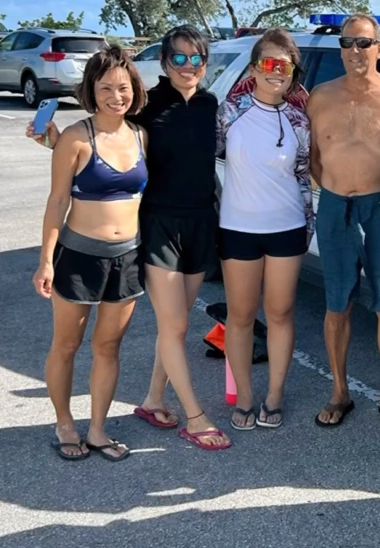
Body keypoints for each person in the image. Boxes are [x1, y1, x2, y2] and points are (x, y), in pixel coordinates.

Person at [29, 25, 231, 450]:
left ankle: (139, 407)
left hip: (171, 234)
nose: (188, 66)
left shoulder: (206, 106)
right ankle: (187, 418)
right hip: (131, 235)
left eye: (196, 58)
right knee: (82, 341)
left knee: (121, 341)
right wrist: (55, 142)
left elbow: (118, 151)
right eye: (179, 57)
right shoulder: (146, 110)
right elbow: (88, 155)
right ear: (163, 62)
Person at [33, 47, 149, 462]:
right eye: (106, 88)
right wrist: (46, 260)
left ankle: (98, 430)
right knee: (67, 344)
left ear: (135, 89)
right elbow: (57, 200)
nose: (116, 96)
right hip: (79, 255)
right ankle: (65, 423)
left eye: (123, 88)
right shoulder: (76, 137)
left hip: (128, 257)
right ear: (91, 91)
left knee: (109, 347)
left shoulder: (140, 134)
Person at [306, 13, 380, 432]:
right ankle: (340, 391)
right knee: (337, 305)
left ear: (379, 48)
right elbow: (315, 157)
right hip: (336, 208)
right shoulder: (319, 96)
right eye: (348, 42)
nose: (355, 51)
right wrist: (339, 190)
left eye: (364, 43)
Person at [215, 29, 314, 432]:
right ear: (254, 67)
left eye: (284, 65)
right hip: (238, 226)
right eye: (268, 63)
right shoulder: (229, 112)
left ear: (293, 71)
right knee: (239, 316)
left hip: (287, 226)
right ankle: (246, 396)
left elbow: (306, 170)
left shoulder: (299, 119)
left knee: (281, 312)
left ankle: (273, 395)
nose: (276, 72)